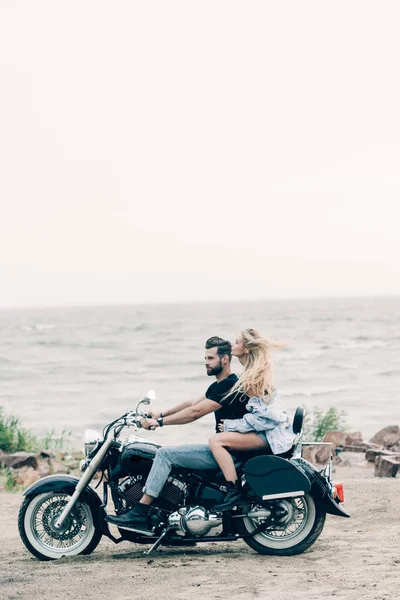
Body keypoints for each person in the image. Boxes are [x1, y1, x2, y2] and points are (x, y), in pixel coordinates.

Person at [106, 336, 249, 533]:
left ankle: (140, 511)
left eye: (210, 358)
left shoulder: (228, 385)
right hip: (225, 447)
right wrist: (160, 413)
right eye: (205, 358)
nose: (205, 362)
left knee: (165, 454)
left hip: (228, 452)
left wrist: (160, 422)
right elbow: (192, 404)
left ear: (224, 360)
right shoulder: (220, 385)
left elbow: (195, 413)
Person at [208, 328, 295, 511]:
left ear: (246, 349)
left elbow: (265, 419)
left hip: (268, 436)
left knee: (216, 441)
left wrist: (231, 426)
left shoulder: (252, 378)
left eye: (237, 342)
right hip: (270, 433)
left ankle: (233, 491)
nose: (233, 344)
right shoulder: (252, 373)